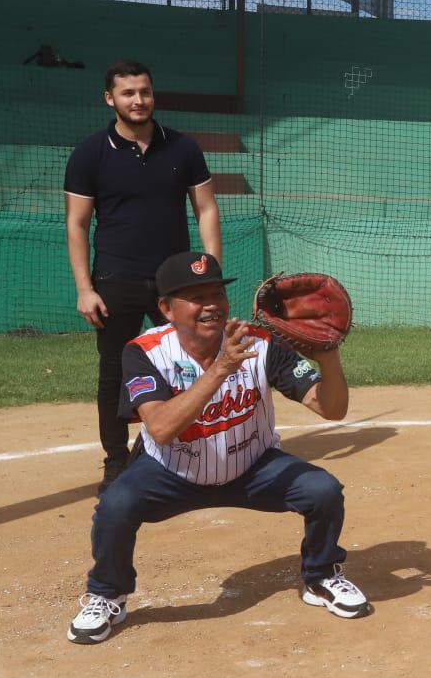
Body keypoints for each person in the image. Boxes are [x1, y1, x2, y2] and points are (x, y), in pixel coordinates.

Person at [66, 252, 367, 644]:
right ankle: (108, 594)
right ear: (166, 308)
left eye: (216, 295)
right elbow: (160, 428)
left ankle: (322, 575)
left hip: (253, 467)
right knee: (114, 506)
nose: (211, 305)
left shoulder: (261, 344)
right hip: (170, 473)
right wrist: (220, 369)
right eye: (195, 296)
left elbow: (331, 408)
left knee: (322, 490)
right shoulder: (143, 352)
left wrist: (329, 358)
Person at [64, 61, 222, 486]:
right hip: (115, 280)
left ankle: (203, 448)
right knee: (115, 372)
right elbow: (77, 224)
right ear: (110, 98)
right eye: (129, 93)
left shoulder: (183, 149)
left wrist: (209, 272)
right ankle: (116, 459)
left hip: (176, 282)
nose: (138, 100)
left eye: (145, 92)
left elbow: (206, 209)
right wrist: (85, 288)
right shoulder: (89, 154)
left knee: (194, 361)